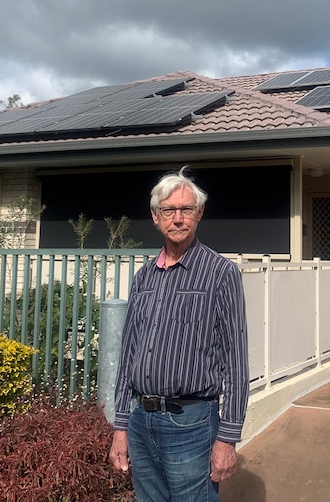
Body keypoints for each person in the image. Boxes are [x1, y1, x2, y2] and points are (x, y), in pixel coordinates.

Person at [110, 166, 249, 502]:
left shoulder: (220, 273)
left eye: (186, 209)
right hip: (142, 422)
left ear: (199, 213)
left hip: (192, 425)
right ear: (156, 217)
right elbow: (129, 354)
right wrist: (121, 427)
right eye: (168, 210)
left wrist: (227, 438)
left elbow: (237, 362)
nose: (177, 218)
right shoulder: (144, 276)